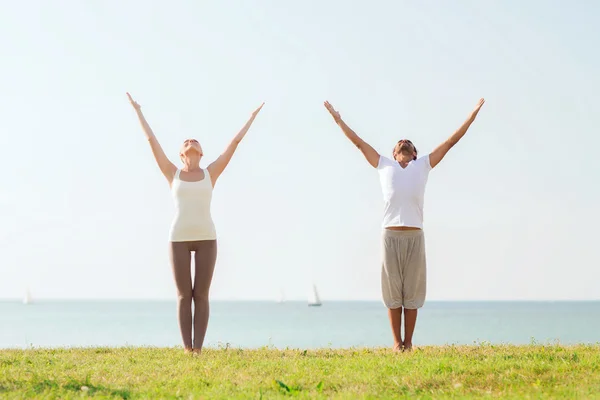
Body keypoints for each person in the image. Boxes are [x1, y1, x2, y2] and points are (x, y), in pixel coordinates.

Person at [324, 98, 485, 351]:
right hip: (389, 235)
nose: (404, 141)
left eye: (408, 143)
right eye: (400, 143)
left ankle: (408, 343)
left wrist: (473, 115)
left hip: (414, 236)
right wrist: (337, 119)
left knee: (411, 293)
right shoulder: (383, 164)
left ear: (414, 153)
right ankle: (396, 343)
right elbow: (357, 142)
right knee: (392, 293)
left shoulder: (423, 165)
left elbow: (452, 141)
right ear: (394, 153)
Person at [127, 93, 264, 354]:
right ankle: (187, 349)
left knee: (201, 295)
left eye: (195, 141)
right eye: (186, 141)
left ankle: (198, 351)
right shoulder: (173, 173)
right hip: (178, 238)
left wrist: (251, 118)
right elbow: (150, 140)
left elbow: (234, 143)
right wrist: (138, 111)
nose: (190, 141)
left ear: (201, 152)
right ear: (181, 154)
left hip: (206, 239)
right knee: (183, 296)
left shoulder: (210, 173)